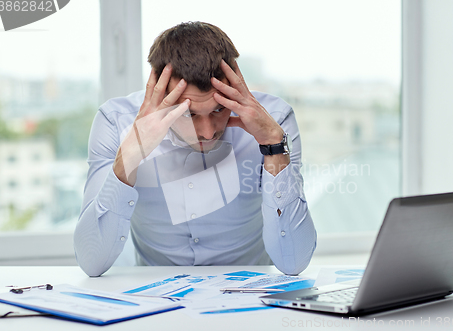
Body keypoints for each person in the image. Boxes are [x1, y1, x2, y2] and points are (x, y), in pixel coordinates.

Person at [74, 21, 316, 277]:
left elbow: (294, 262)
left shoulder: (274, 120)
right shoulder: (115, 121)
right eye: (188, 114)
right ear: (159, 91)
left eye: (219, 109)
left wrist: (274, 146)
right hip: (155, 303)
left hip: (250, 300)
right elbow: (92, 261)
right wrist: (131, 154)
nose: (208, 131)